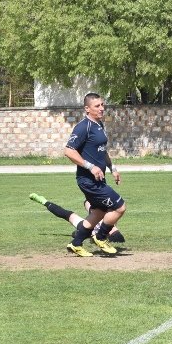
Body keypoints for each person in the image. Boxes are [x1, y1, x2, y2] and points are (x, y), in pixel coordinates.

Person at [63, 92, 126, 257]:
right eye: (97, 106)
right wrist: (90, 166)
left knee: (98, 213)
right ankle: (101, 237)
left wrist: (113, 168)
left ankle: (75, 244)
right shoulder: (84, 127)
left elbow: (103, 151)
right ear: (87, 109)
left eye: (102, 105)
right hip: (88, 180)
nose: (101, 108)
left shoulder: (99, 125)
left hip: (99, 179)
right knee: (119, 207)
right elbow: (69, 151)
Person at [29, 193, 125, 244]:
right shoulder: (110, 222)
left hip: (89, 225)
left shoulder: (110, 225)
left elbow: (119, 238)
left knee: (68, 215)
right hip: (96, 224)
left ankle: (44, 201)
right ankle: (44, 201)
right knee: (71, 214)